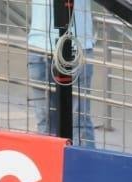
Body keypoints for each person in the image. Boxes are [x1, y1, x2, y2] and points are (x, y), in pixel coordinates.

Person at [27, 0, 96, 148]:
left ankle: (84, 168)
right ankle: (48, 165)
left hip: (78, 46)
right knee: (45, 120)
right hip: (39, 45)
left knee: (79, 120)